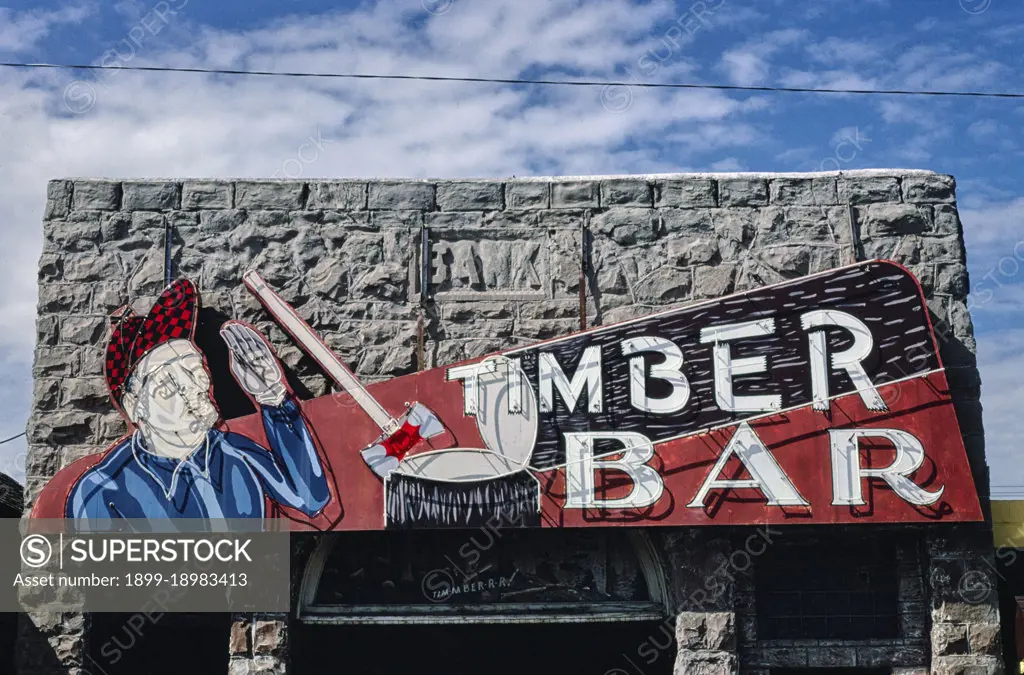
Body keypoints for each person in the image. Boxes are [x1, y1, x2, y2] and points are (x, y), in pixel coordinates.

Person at [64, 279, 332, 523]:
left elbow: (309, 498)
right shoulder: (102, 492)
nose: (191, 391)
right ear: (135, 406)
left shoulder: (233, 452)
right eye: (169, 385)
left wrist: (274, 399)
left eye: (195, 372)